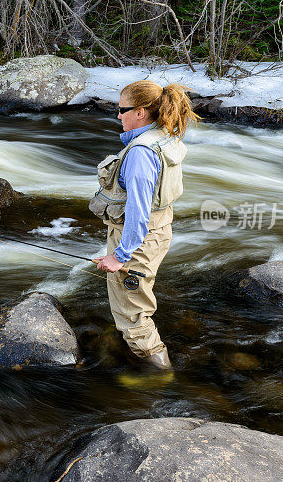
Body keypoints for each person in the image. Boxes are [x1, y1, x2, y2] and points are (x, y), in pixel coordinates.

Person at [90, 80, 199, 370]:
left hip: (139, 238)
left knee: (133, 314)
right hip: (157, 232)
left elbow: (138, 212)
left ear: (140, 113)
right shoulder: (164, 136)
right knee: (135, 302)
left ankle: (158, 378)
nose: (118, 116)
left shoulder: (141, 152)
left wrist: (121, 255)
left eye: (122, 109)